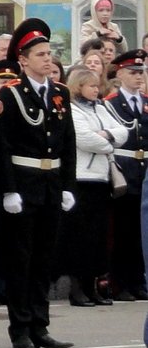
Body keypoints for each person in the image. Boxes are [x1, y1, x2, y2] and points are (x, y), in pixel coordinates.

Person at [0, 19, 77, 348]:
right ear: (23, 60)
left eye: (49, 53)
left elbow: (68, 142)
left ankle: (40, 325)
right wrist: (9, 189)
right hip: (24, 184)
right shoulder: (11, 94)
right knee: (21, 259)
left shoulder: (59, 93)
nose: (48, 59)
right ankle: (21, 328)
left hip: (51, 183)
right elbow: (3, 145)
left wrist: (68, 185)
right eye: (40, 54)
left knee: (43, 259)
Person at [66, 65, 126, 308]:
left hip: (101, 179)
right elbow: (83, 138)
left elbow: (123, 131)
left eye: (96, 85)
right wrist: (108, 140)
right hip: (82, 178)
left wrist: (106, 136)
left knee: (98, 238)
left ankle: (93, 287)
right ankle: (77, 288)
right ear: (78, 85)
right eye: (90, 85)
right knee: (80, 237)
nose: (95, 89)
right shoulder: (72, 109)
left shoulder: (101, 107)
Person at [107, 50, 148, 300]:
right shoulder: (111, 103)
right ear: (120, 73)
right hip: (124, 168)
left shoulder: (145, 101)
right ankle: (119, 283)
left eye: (141, 72)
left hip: (143, 170)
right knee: (122, 232)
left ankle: (138, 282)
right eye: (133, 72)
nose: (138, 77)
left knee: (140, 233)